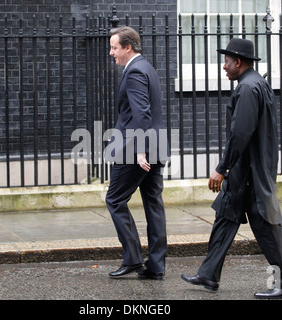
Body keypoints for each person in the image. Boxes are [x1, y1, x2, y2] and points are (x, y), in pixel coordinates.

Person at [181, 38, 282, 298]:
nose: (223, 67)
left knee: (266, 227)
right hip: (246, 171)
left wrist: (222, 168)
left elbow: (241, 134)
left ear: (238, 62)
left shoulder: (248, 88)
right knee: (225, 217)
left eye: (226, 61)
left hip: (251, 172)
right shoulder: (256, 83)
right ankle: (208, 275)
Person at [105, 26, 169, 280]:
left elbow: (142, 112)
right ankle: (156, 265)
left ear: (128, 47)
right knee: (153, 203)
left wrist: (140, 150)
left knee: (114, 199)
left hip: (136, 149)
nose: (111, 53)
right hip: (156, 145)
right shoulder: (147, 67)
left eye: (114, 47)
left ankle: (132, 258)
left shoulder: (134, 72)